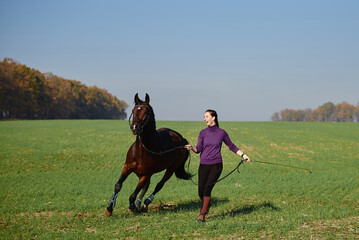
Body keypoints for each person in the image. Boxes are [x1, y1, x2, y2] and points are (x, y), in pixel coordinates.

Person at [185, 109, 251, 222]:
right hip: (203, 165)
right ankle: (206, 205)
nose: (204, 119)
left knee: (207, 190)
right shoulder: (202, 133)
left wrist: (243, 155)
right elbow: (198, 149)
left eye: (206, 116)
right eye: (204, 117)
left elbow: (232, 146)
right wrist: (192, 148)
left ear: (213, 117)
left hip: (216, 165)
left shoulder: (222, 133)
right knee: (200, 192)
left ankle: (202, 214)